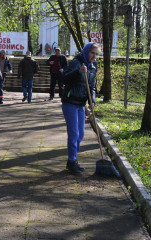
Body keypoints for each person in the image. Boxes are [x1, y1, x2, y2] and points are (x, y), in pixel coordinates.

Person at [61, 42, 100, 175]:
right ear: (86, 51)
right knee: (74, 134)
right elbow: (64, 79)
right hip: (70, 102)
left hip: (80, 104)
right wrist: (78, 72)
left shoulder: (94, 66)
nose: (94, 56)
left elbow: (92, 87)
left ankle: (73, 160)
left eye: (96, 54)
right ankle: (72, 162)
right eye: (92, 53)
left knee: (81, 134)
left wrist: (92, 100)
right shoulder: (76, 62)